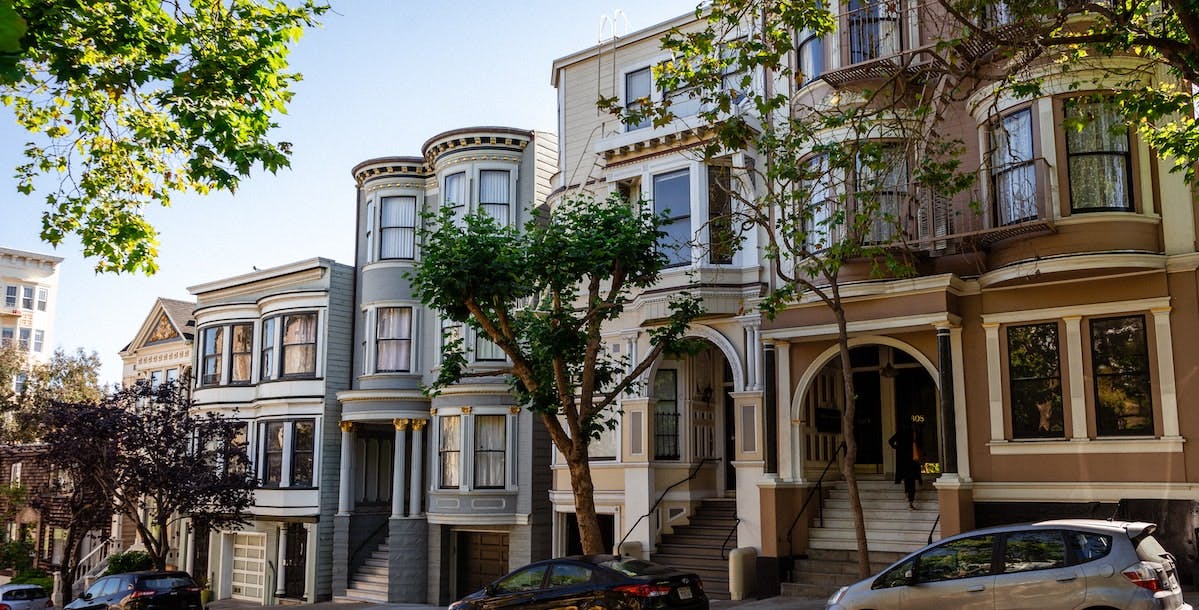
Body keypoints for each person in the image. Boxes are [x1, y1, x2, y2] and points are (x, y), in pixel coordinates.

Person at [889, 419, 923, 509]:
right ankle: (910, 502)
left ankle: (907, 496)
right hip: (912, 460)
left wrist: (897, 447)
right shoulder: (913, 433)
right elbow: (919, 444)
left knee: (907, 479)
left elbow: (890, 441)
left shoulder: (900, 433)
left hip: (903, 460)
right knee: (911, 481)